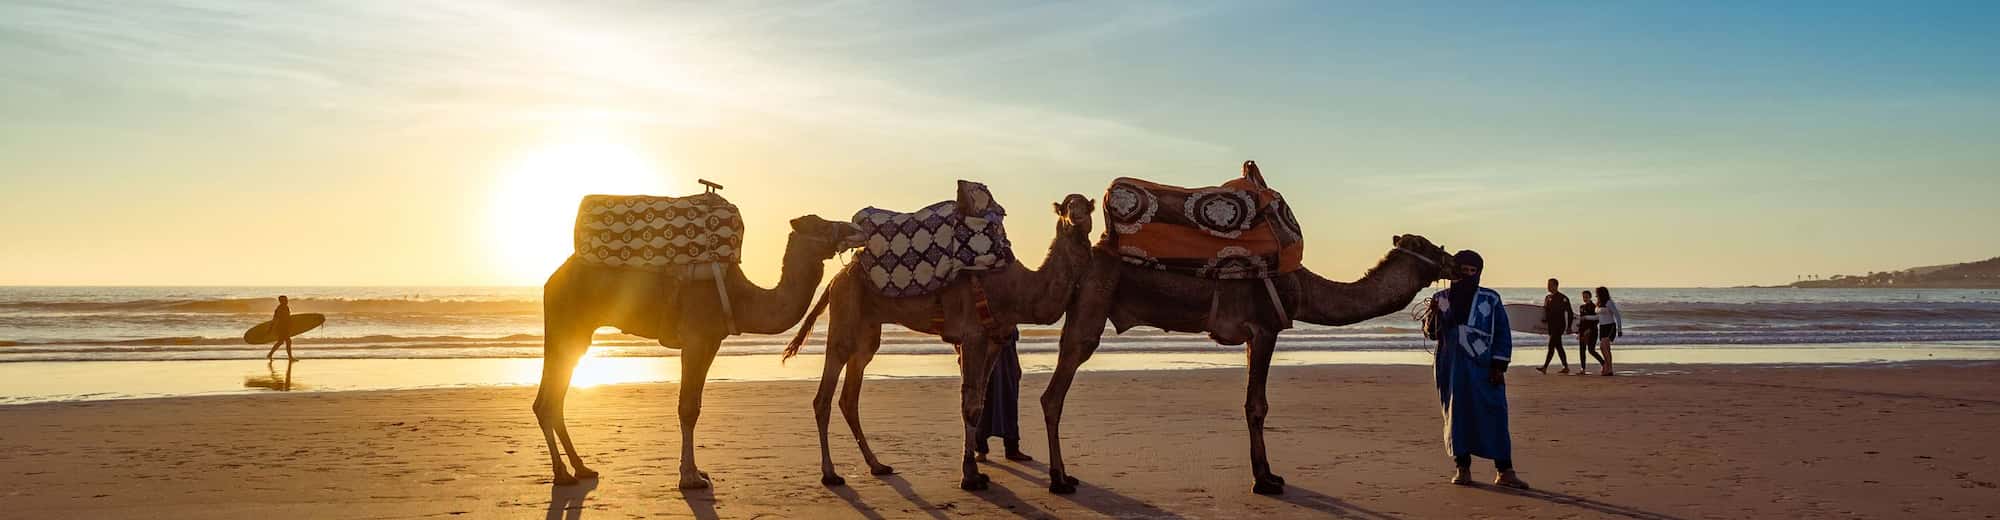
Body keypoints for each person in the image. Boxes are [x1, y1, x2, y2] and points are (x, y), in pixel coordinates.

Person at [1429, 250, 1529, 489]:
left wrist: (1499, 365)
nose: (1468, 275)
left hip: (1484, 367)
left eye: (1473, 272)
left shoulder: (1490, 299)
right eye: (1463, 271)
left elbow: (1503, 333)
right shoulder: (1441, 297)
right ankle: (1462, 468)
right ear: (1455, 272)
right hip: (1451, 367)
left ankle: (1504, 470)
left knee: (1494, 413)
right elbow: (1432, 333)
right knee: (1457, 416)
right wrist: (1435, 312)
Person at [975, 328, 1032, 462]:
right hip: (987, 362)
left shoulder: (1009, 313)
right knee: (984, 405)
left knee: (1009, 405)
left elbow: (1012, 342)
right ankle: (981, 450)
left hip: (1006, 364)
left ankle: (1012, 449)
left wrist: (1016, 365)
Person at [1537, 278, 1575, 374]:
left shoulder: (1563, 298)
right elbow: (1546, 310)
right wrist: (1543, 321)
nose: (1548, 286)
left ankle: (1545, 367)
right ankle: (1566, 367)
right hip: (1551, 325)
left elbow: (1570, 313)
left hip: (1559, 325)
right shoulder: (1547, 297)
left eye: (1550, 285)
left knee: (1551, 345)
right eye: (1548, 284)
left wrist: (1569, 326)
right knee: (1558, 346)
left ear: (1555, 286)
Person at [1575, 290, 1606, 374]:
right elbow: (1581, 321)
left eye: (1586, 297)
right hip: (1583, 331)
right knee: (1582, 349)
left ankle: (1604, 363)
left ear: (1590, 297)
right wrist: (1579, 332)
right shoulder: (1581, 307)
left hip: (1592, 331)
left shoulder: (1594, 307)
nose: (1584, 298)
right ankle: (1583, 369)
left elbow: (1596, 320)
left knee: (1591, 350)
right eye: (1583, 297)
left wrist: (1589, 330)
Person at [1595, 287, 1624, 376]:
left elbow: (1617, 315)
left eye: (1597, 293)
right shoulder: (1598, 304)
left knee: (1604, 346)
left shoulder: (1609, 302)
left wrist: (1619, 329)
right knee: (1604, 348)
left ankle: (1609, 368)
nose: (1596, 295)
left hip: (1610, 326)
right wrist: (1584, 318)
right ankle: (1608, 367)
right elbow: (1597, 317)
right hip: (1602, 327)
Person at [264, 295, 295, 361]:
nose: (287, 301)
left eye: (287, 299)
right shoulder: (279, 309)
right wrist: (270, 328)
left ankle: (270, 354)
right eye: (285, 300)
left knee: (281, 342)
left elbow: (288, 317)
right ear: (281, 301)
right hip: (281, 327)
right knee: (287, 341)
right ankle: (290, 357)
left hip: (285, 327)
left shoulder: (286, 307)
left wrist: (291, 325)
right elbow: (275, 319)